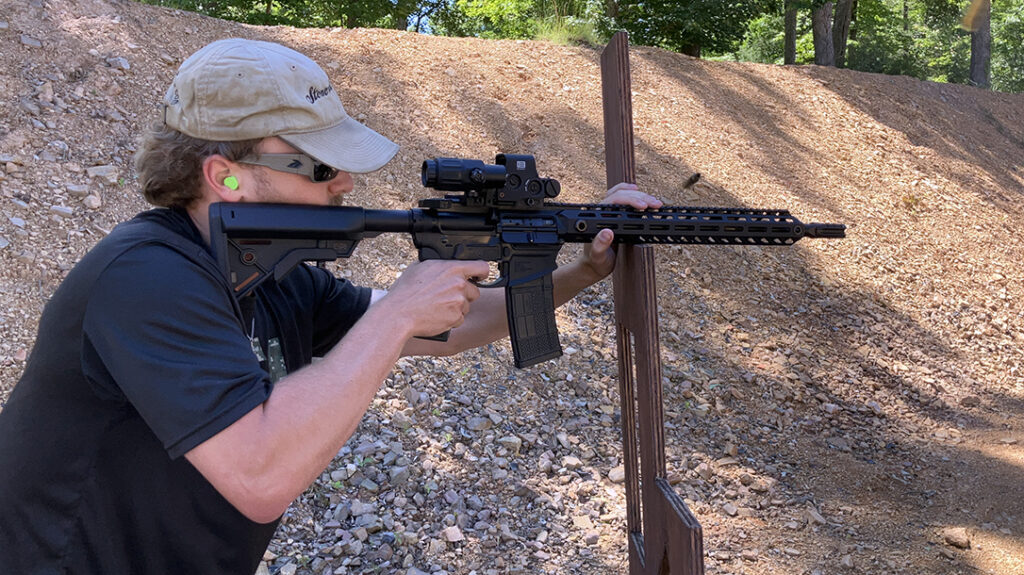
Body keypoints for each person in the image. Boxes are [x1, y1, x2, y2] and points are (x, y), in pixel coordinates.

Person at [0, 38, 662, 573]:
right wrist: (396, 312)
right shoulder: (145, 277)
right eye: (318, 166)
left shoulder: (270, 274)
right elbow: (261, 474)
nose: (345, 180)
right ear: (224, 174)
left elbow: (440, 330)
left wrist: (579, 269)